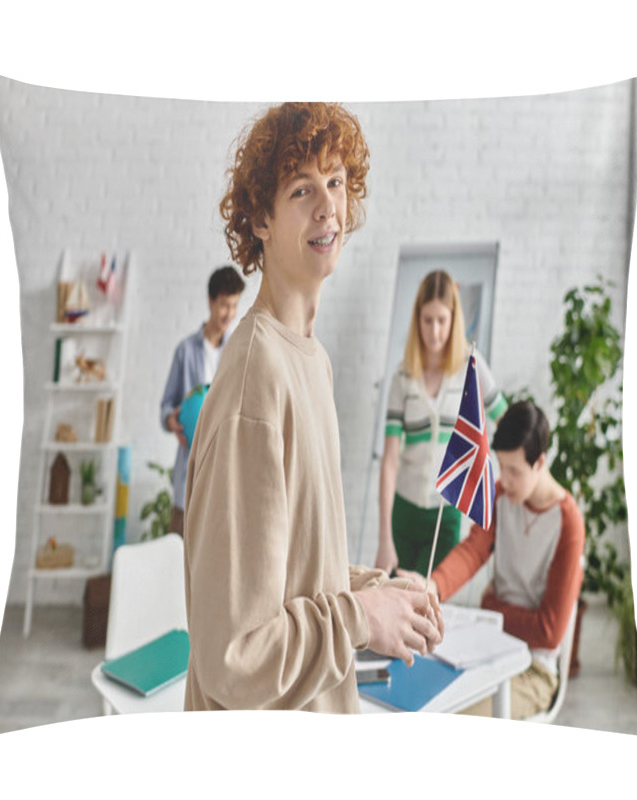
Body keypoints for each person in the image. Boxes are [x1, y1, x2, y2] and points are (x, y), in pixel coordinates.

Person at [183, 102, 443, 712]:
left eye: (336, 182)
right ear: (261, 221)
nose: (328, 205)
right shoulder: (256, 379)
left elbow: (295, 573)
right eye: (302, 189)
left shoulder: (310, 359)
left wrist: (379, 591)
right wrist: (358, 618)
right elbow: (234, 654)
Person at [400, 401, 585, 719]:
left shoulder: (568, 523)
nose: (506, 479)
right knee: (424, 696)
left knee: (459, 716)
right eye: (502, 467)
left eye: (515, 471)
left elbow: (550, 631)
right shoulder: (501, 497)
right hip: (490, 646)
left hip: (534, 669)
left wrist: (493, 607)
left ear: (540, 463)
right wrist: (433, 586)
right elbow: (473, 551)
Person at [376, 270, 507, 576]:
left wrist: (505, 483)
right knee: (398, 605)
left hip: (444, 516)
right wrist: (384, 538)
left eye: (442, 320)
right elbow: (390, 460)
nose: (434, 331)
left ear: (454, 320)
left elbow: (507, 421)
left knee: (428, 606)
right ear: (417, 321)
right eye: (427, 320)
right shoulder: (402, 377)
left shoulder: (470, 367)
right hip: (403, 513)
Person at [160, 265, 245, 535]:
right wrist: (171, 420)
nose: (229, 314)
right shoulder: (186, 352)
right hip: (189, 473)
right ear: (210, 302)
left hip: (222, 475)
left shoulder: (237, 353)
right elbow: (166, 405)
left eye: (234, 306)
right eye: (223, 305)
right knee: (177, 551)